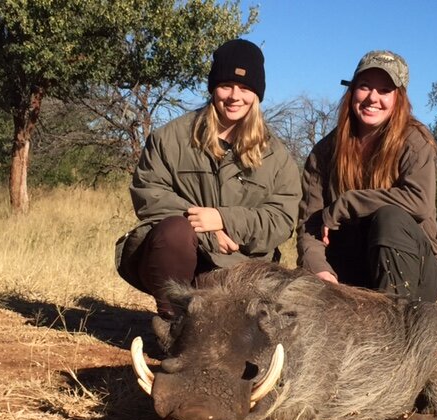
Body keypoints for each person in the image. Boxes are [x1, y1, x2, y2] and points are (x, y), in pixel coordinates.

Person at [115, 39, 301, 346]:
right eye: (226, 85)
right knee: (174, 231)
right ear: (213, 87)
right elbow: (148, 192)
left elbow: (281, 220)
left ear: (257, 94)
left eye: (244, 88)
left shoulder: (277, 156)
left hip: (240, 266)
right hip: (180, 260)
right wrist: (207, 230)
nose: (234, 97)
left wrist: (224, 219)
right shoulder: (169, 137)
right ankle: (174, 330)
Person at [297, 50, 437, 302]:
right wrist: (319, 269)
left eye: (384, 90)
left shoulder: (415, 141)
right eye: (365, 86)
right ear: (352, 91)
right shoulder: (324, 151)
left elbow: (420, 203)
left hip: (419, 270)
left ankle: (395, 322)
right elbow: (311, 224)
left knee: (390, 218)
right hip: (353, 264)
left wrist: (348, 203)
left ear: (398, 98)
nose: (372, 98)